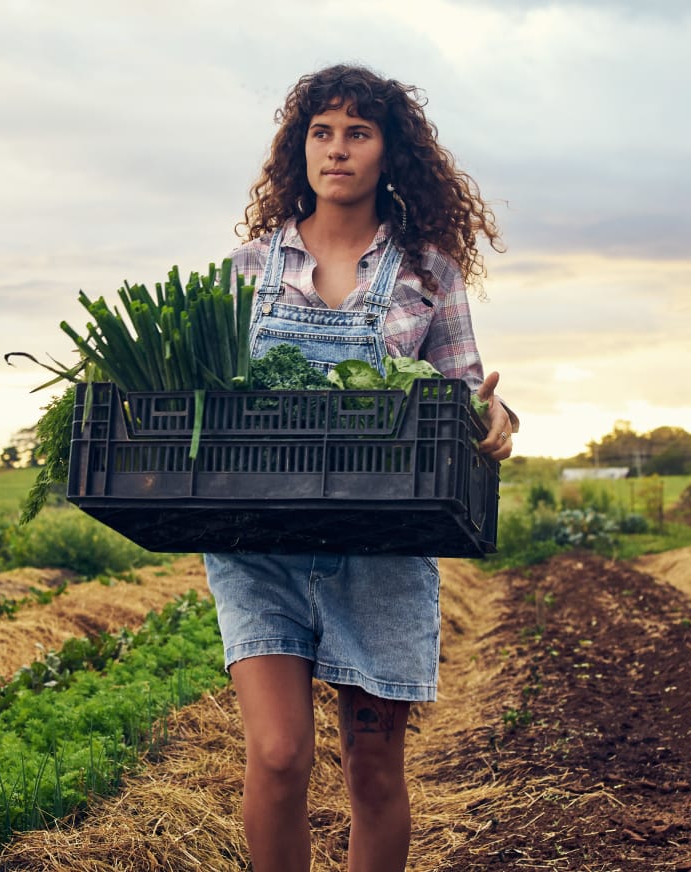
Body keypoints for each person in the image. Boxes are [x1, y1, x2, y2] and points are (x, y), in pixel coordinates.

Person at [207, 64, 515, 872]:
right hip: (261, 543)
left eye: (357, 132)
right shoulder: (245, 271)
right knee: (278, 756)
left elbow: (461, 395)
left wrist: (497, 421)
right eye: (321, 132)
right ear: (299, 150)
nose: (336, 149)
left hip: (383, 550)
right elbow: (212, 402)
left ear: (388, 153)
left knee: (374, 773)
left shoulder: (427, 272)